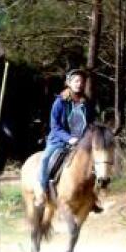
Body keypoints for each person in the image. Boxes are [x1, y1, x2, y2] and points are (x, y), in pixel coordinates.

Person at [35, 69, 96, 207]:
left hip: (82, 142)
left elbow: (91, 123)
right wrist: (69, 139)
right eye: (76, 81)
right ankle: (43, 191)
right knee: (45, 159)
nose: (79, 84)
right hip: (59, 141)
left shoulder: (87, 103)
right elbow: (54, 126)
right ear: (69, 83)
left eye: (82, 81)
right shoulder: (60, 102)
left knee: (97, 162)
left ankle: (92, 196)